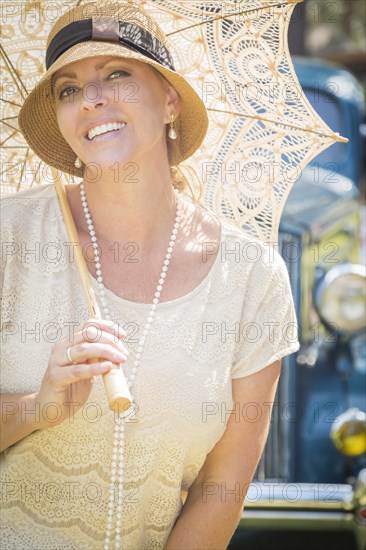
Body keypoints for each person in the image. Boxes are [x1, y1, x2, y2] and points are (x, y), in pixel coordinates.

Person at [0, 1, 300, 549]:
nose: (91, 99)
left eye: (117, 74)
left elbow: (221, 489)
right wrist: (35, 408)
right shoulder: (8, 237)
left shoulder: (254, 277)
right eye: (67, 89)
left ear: (169, 100)